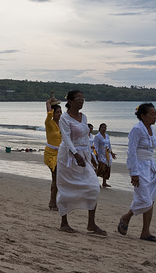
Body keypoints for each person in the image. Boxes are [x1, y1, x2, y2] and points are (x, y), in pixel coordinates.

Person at [56, 90, 106, 235]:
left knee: (94, 187)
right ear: (70, 101)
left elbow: (85, 138)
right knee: (66, 188)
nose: (81, 101)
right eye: (78, 99)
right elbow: (66, 138)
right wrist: (76, 154)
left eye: (83, 99)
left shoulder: (83, 117)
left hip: (84, 156)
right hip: (68, 157)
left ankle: (91, 223)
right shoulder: (64, 118)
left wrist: (91, 158)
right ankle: (64, 222)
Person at [117, 103, 156, 243]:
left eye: (155, 114)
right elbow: (131, 151)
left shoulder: (151, 129)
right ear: (142, 115)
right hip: (139, 167)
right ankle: (126, 217)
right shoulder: (137, 129)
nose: (154, 117)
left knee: (151, 198)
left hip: (150, 167)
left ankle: (145, 231)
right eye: (151, 114)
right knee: (145, 199)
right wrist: (134, 172)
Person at [44, 97, 62, 211]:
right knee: (56, 178)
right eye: (58, 112)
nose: (60, 114)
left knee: (58, 179)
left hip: (61, 154)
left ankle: (53, 201)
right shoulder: (49, 123)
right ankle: (52, 202)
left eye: (61, 112)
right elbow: (49, 114)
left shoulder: (61, 124)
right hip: (51, 154)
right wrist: (48, 102)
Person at [94, 123, 116, 187]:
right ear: (100, 128)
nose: (104, 129)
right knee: (101, 168)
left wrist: (111, 153)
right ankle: (95, 182)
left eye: (105, 127)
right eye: (102, 127)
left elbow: (109, 145)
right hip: (100, 153)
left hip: (107, 153)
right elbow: (96, 146)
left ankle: (104, 182)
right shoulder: (97, 136)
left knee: (107, 168)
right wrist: (96, 155)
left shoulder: (107, 136)